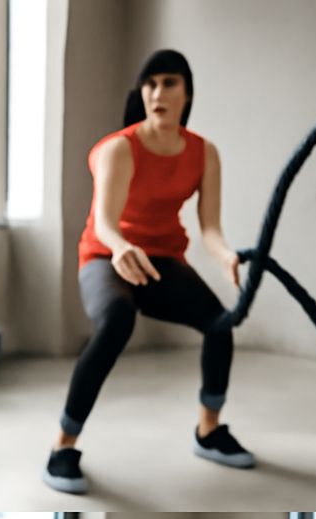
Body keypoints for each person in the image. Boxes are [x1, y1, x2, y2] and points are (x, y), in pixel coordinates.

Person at [44, 50, 253, 495]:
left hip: (162, 260)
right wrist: (121, 247)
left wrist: (225, 256)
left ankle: (209, 431)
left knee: (220, 324)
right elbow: (105, 221)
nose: (158, 93)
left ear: (187, 93)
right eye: (150, 84)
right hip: (106, 257)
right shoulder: (120, 148)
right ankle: (62, 446)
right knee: (117, 319)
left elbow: (210, 227)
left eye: (169, 83)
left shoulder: (204, 153)